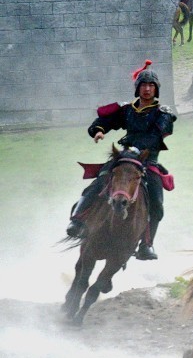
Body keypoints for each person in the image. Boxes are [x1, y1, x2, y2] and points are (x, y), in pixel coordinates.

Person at [67, 60, 176, 260]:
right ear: (138, 88)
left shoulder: (163, 114)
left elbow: (156, 136)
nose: (147, 89)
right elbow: (106, 120)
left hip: (147, 162)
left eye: (151, 86)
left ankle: (146, 245)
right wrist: (99, 130)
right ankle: (77, 221)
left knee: (157, 203)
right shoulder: (127, 109)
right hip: (124, 159)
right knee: (97, 183)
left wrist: (137, 149)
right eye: (144, 85)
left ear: (156, 89)